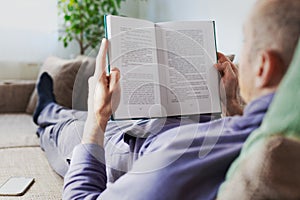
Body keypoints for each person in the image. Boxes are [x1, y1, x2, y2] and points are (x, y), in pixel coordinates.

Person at [32, 0, 300, 199]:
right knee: (72, 115)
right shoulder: (267, 130)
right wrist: (232, 105)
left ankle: (45, 109)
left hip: (137, 146)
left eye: (245, 41)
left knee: (65, 129)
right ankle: (50, 106)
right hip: (154, 128)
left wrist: (96, 120)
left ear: (264, 67)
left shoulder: (178, 164)